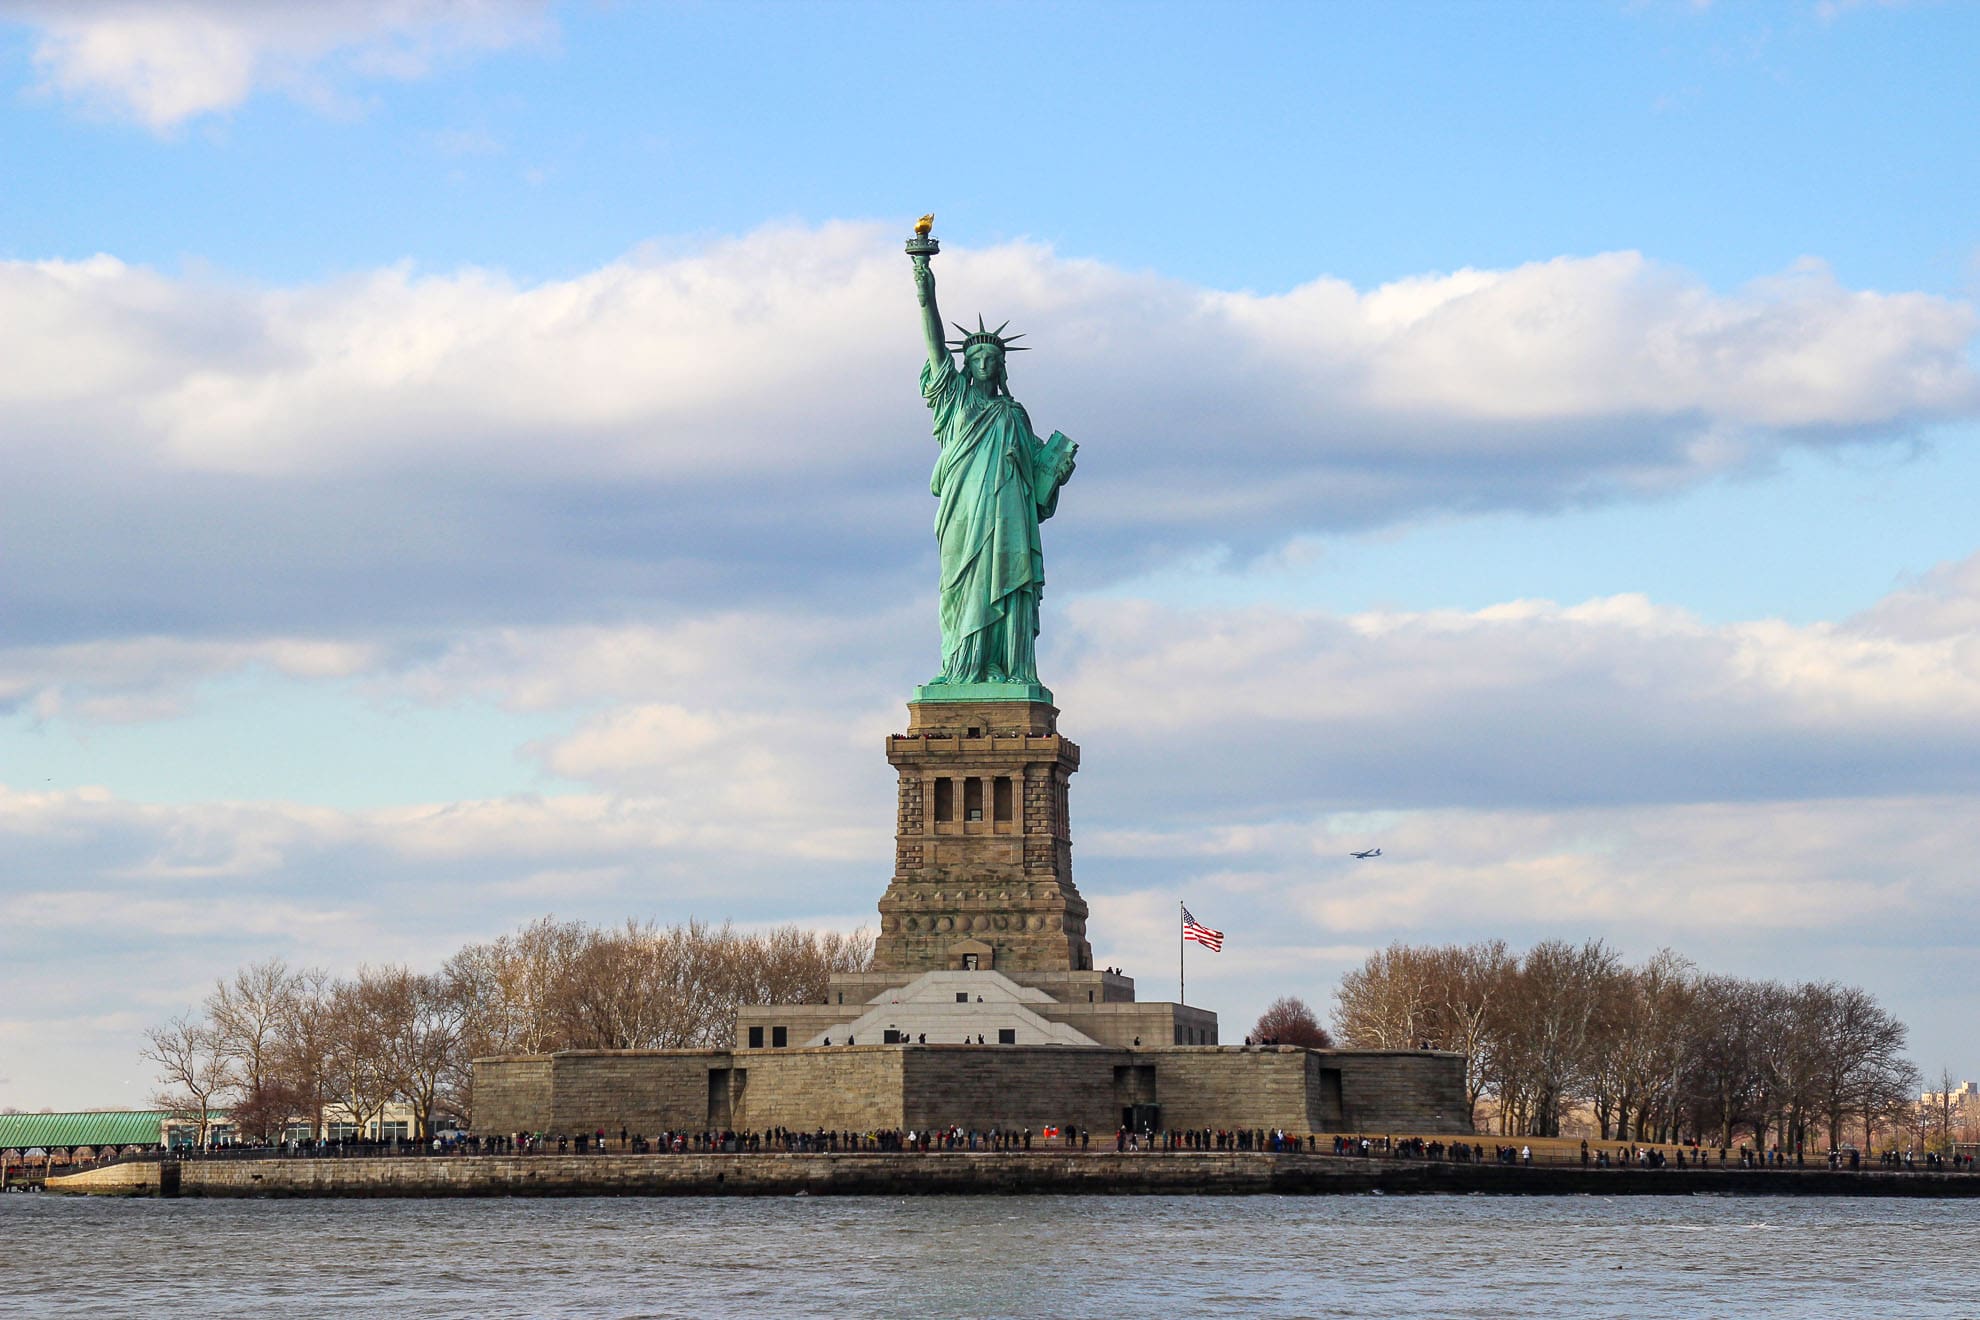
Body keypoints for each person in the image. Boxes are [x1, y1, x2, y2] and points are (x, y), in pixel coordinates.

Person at [909, 238, 1077, 686]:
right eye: (977, 357)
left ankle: (1005, 665)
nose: (984, 363)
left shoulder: (1014, 415)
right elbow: (933, 342)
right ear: (966, 363)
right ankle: (962, 667)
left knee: (1004, 581)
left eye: (992, 359)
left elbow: (1037, 490)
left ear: (1001, 367)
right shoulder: (954, 400)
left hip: (1008, 517)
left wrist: (1055, 473)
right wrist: (923, 280)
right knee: (962, 586)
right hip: (964, 513)